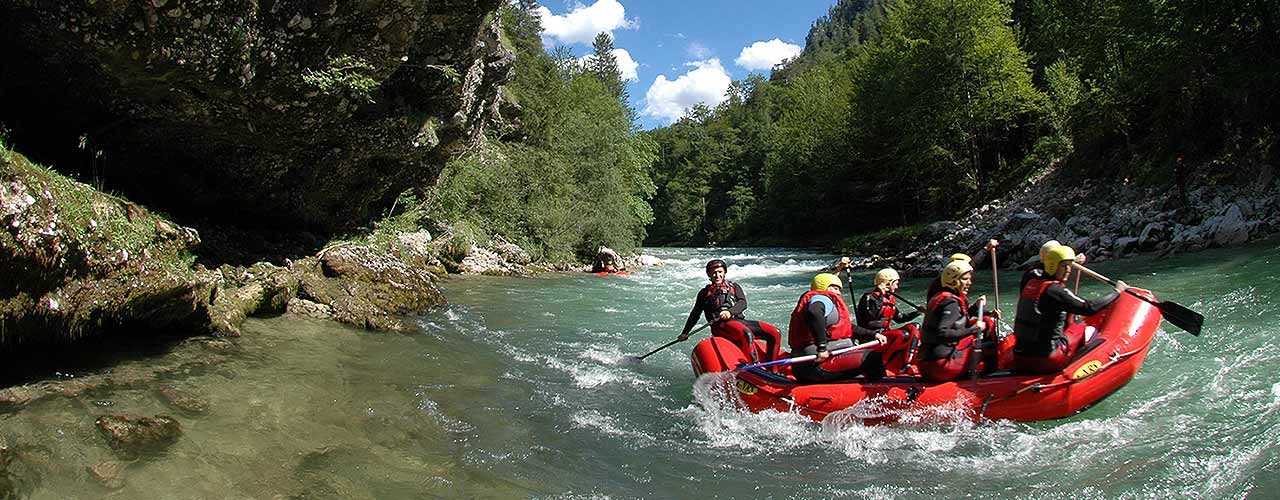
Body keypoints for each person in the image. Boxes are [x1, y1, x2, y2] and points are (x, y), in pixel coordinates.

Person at [1013, 246, 1127, 373]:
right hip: (1048, 359)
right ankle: (1084, 360)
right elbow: (1089, 308)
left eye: (1069, 266)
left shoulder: (1030, 282)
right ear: (1052, 266)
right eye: (1064, 266)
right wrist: (1117, 292)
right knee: (1080, 324)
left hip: (1020, 358)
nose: (1068, 270)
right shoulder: (1055, 291)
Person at [788, 273, 888, 383]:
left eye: (839, 289)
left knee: (867, 357)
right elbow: (814, 312)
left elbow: (848, 328)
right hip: (815, 366)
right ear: (824, 287)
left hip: (811, 365)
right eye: (835, 288)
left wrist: (874, 334)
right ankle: (879, 393)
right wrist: (822, 348)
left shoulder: (823, 302)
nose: (839, 292)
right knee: (872, 357)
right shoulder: (821, 299)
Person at [677, 259, 782, 362]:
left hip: (738, 321)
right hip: (720, 326)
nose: (717, 275)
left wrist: (730, 312)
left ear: (724, 273)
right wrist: (685, 332)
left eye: (720, 272)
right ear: (709, 275)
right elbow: (695, 314)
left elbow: (743, 303)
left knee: (774, 332)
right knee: (746, 333)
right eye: (713, 273)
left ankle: (773, 369)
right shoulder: (704, 293)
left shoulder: (734, 286)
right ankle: (755, 366)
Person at [918, 260, 1000, 381]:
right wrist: (973, 329)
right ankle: (990, 382)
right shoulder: (950, 302)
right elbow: (943, 333)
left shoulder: (939, 296)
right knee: (989, 346)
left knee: (984, 325)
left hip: (927, 365)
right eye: (965, 279)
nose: (969, 283)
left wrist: (977, 309)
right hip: (942, 366)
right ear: (954, 280)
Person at [856, 268, 924, 373]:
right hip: (871, 336)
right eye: (895, 283)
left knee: (915, 327)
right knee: (901, 335)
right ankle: (883, 364)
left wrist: (917, 313)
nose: (897, 287)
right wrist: (880, 297)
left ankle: (907, 363)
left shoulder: (889, 298)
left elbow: (899, 318)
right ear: (887, 283)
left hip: (886, 333)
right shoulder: (869, 298)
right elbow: (871, 317)